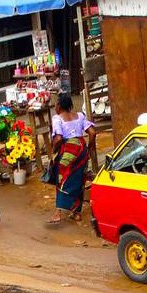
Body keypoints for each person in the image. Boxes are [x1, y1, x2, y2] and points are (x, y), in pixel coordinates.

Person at [47, 94, 97, 224]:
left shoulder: (57, 118)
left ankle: (58, 213)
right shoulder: (80, 116)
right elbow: (92, 132)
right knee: (79, 180)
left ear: (59, 106)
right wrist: (90, 147)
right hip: (81, 150)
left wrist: (53, 152)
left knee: (62, 180)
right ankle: (77, 213)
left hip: (68, 150)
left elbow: (58, 138)